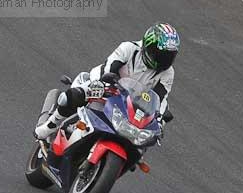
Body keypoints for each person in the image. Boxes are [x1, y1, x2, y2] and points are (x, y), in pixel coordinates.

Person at [35, 23, 180, 141]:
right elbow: (109, 68)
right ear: (148, 46)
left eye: (169, 56)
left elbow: (161, 98)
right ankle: (51, 125)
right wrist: (108, 79)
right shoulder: (129, 48)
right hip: (105, 85)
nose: (163, 60)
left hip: (131, 104)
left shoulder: (168, 73)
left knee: (148, 135)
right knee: (72, 96)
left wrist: (160, 120)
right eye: (160, 54)